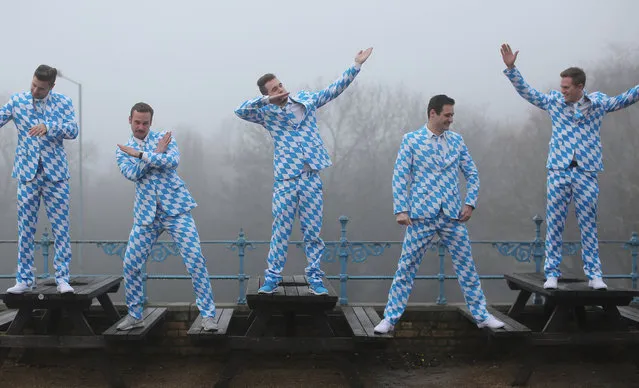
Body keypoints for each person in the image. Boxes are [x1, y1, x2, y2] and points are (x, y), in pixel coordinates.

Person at [234, 48, 373, 295]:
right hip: (286, 178)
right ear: (267, 94)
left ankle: (315, 277)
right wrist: (268, 101)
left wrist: (356, 65)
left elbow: (334, 90)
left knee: (313, 230)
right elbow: (240, 110)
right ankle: (272, 277)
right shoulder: (266, 113)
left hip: (311, 176)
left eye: (280, 85)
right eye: (274, 89)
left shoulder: (305, 100)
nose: (280, 90)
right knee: (281, 229)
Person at [500, 43, 639, 290]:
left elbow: (625, 99)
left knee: (588, 223)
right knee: (554, 223)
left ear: (579, 87)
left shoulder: (597, 103)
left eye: (566, 87)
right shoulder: (554, 102)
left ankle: (595, 275)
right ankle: (551, 273)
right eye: (561, 86)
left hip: (586, 171)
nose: (562, 90)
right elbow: (529, 93)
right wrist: (512, 69)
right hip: (559, 170)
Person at [374, 95, 504, 334]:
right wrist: (401, 209)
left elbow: (473, 175)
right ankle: (390, 319)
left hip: (452, 216)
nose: (451, 120)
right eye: (447, 115)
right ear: (432, 113)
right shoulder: (411, 140)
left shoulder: (457, 141)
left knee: (467, 267)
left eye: (452, 115)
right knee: (406, 268)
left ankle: (482, 315)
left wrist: (470, 204)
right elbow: (400, 176)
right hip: (421, 216)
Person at [116, 102, 217, 331]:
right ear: (129, 120)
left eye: (145, 123)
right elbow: (131, 174)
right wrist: (153, 155)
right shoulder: (123, 148)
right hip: (146, 215)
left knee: (195, 259)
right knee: (131, 263)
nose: (140, 126)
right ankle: (135, 314)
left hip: (176, 209)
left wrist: (142, 155)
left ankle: (208, 315)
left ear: (151, 122)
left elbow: (172, 163)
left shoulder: (165, 137)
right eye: (137, 122)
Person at [2, 65, 78, 294]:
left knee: (61, 227)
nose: (35, 90)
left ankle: (63, 278)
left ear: (51, 87)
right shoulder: (17, 101)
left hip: (56, 175)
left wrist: (49, 127)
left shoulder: (63, 102)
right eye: (33, 85)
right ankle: (24, 279)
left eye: (41, 88)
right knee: (25, 227)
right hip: (27, 174)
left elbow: (73, 130)